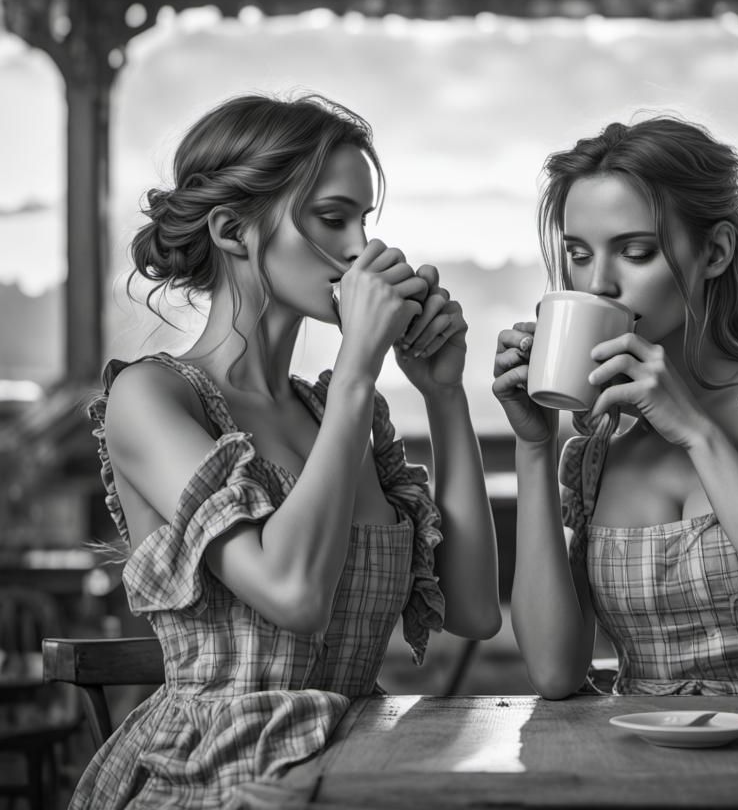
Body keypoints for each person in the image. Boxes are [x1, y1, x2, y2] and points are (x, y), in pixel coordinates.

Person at [72, 93, 501, 809]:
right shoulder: (152, 399)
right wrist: (359, 370)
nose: (362, 249)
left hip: (360, 766)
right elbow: (293, 595)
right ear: (234, 230)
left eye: (364, 221)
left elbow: (475, 610)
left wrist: (444, 395)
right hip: (219, 775)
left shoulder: (332, 412)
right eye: (334, 219)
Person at [493, 115, 738, 700]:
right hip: (636, 769)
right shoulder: (601, 451)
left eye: (636, 251)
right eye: (578, 253)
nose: (598, 283)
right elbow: (553, 673)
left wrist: (698, 434)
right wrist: (534, 445)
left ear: (717, 251)